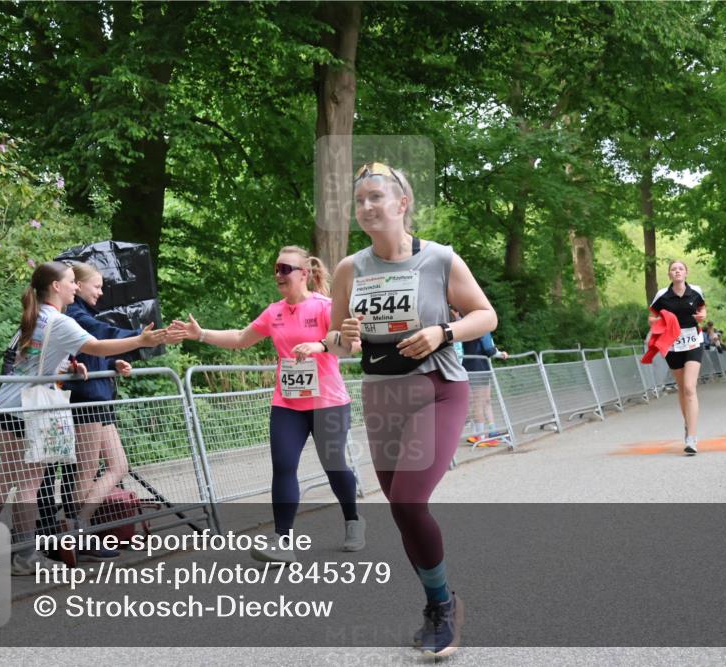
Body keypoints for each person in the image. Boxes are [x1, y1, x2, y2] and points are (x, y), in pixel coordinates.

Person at [325, 162, 497, 657]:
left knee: (408, 500)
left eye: (376, 197)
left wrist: (444, 331)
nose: (366, 207)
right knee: (401, 510)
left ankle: (444, 607)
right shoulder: (349, 269)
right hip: (383, 394)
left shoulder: (439, 259)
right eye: (359, 201)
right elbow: (337, 343)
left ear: (403, 205)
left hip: (438, 387)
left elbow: (486, 314)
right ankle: (436, 600)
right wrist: (342, 338)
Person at [175, 246, 364, 563]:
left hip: (327, 401)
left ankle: (353, 520)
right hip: (288, 403)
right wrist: (201, 334)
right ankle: (283, 541)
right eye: (276, 269)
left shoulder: (324, 307)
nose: (278, 274)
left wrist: (318, 345)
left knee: (334, 466)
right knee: (284, 466)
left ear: (304, 273)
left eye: (285, 268)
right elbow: (240, 338)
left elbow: (352, 345)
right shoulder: (274, 312)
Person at [0, 261, 173, 575]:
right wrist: (140, 340)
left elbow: (28, 363)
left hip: (7, 404)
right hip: (31, 408)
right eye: (72, 281)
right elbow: (96, 345)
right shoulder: (58, 320)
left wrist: (67, 369)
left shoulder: (33, 319)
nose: (75, 286)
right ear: (56, 287)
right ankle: (24, 557)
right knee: (29, 484)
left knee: (6, 477)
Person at [40, 261, 185, 563]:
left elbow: (96, 354)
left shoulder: (82, 314)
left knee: (118, 465)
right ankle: (78, 531)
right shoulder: (74, 314)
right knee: (85, 470)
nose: (102, 292)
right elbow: (98, 339)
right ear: (77, 285)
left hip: (99, 395)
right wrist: (141, 337)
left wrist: (114, 365)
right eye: (97, 286)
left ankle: (79, 525)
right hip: (86, 398)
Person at [649, 260, 707, 455]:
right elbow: (651, 317)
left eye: (680, 268)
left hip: (693, 341)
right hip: (672, 344)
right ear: (669, 275)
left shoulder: (696, 291)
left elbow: (703, 309)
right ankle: (688, 424)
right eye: (673, 269)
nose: (677, 271)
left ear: (686, 272)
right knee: (682, 388)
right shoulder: (662, 296)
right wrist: (660, 321)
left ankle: (692, 437)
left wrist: (702, 317)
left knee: (690, 387)